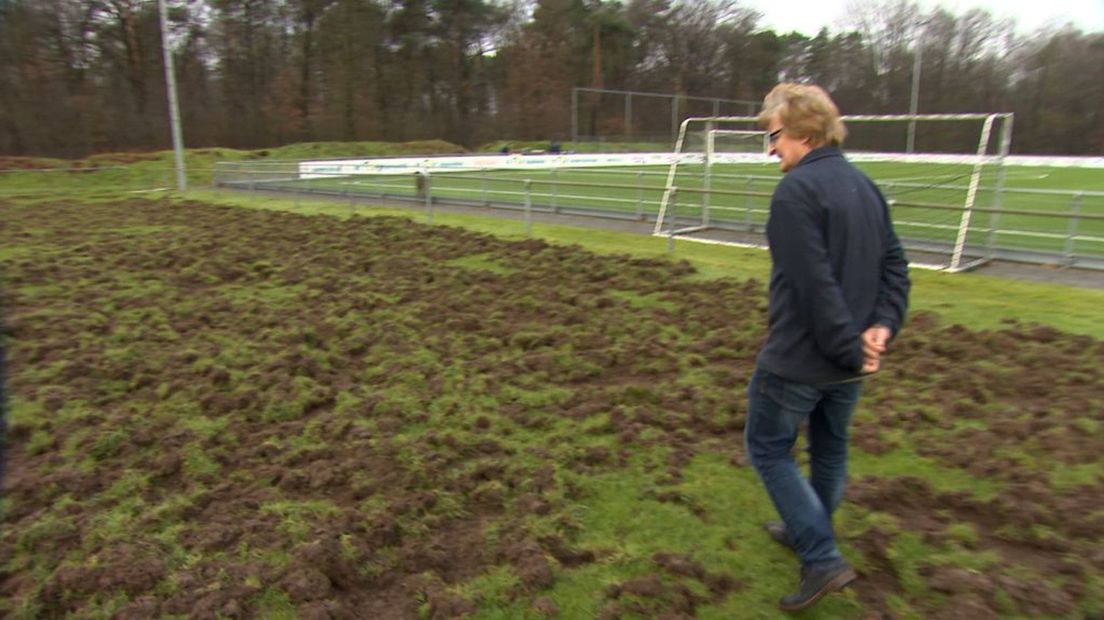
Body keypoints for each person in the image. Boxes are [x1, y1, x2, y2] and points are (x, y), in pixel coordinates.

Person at [744, 83, 910, 612]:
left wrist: (850, 347)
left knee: (768, 449)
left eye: (773, 137)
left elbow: (814, 287)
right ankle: (806, 528)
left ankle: (820, 556)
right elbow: (895, 270)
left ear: (802, 133)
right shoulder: (865, 187)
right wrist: (881, 327)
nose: (770, 149)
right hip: (850, 361)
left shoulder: (795, 193)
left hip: (802, 358)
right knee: (830, 449)